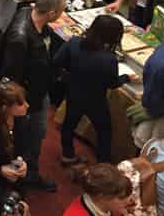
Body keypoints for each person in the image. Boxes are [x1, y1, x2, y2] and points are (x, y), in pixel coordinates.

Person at [0, 0, 66, 192]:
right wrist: (21, 107)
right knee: (25, 140)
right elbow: (11, 79)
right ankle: (23, 177)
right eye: (62, 11)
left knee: (35, 136)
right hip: (26, 100)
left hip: (37, 91)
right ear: (52, 13)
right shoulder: (20, 39)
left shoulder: (26, 12)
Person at [54, 15, 133, 165]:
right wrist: (126, 78)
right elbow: (112, 84)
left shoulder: (74, 43)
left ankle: (67, 155)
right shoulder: (108, 58)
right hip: (96, 100)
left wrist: (68, 78)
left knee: (69, 125)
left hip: (73, 93)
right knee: (104, 131)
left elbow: (57, 62)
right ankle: (103, 163)